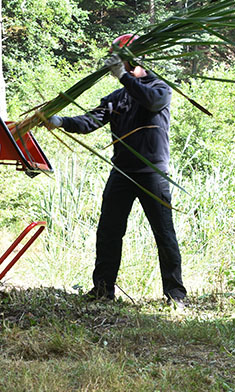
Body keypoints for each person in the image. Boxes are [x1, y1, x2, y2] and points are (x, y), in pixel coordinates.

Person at [47, 34, 187, 305]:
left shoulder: (159, 87)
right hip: (121, 172)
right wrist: (61, 120)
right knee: (109, 231)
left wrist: (124, 76)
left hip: (151, 174)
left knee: (164, 232)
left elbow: (152, 102)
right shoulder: (117, 97)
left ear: (134, 59)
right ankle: (102, 290)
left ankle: (176, 295)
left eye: (121, 59)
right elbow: (90, 121)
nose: (116, 65)